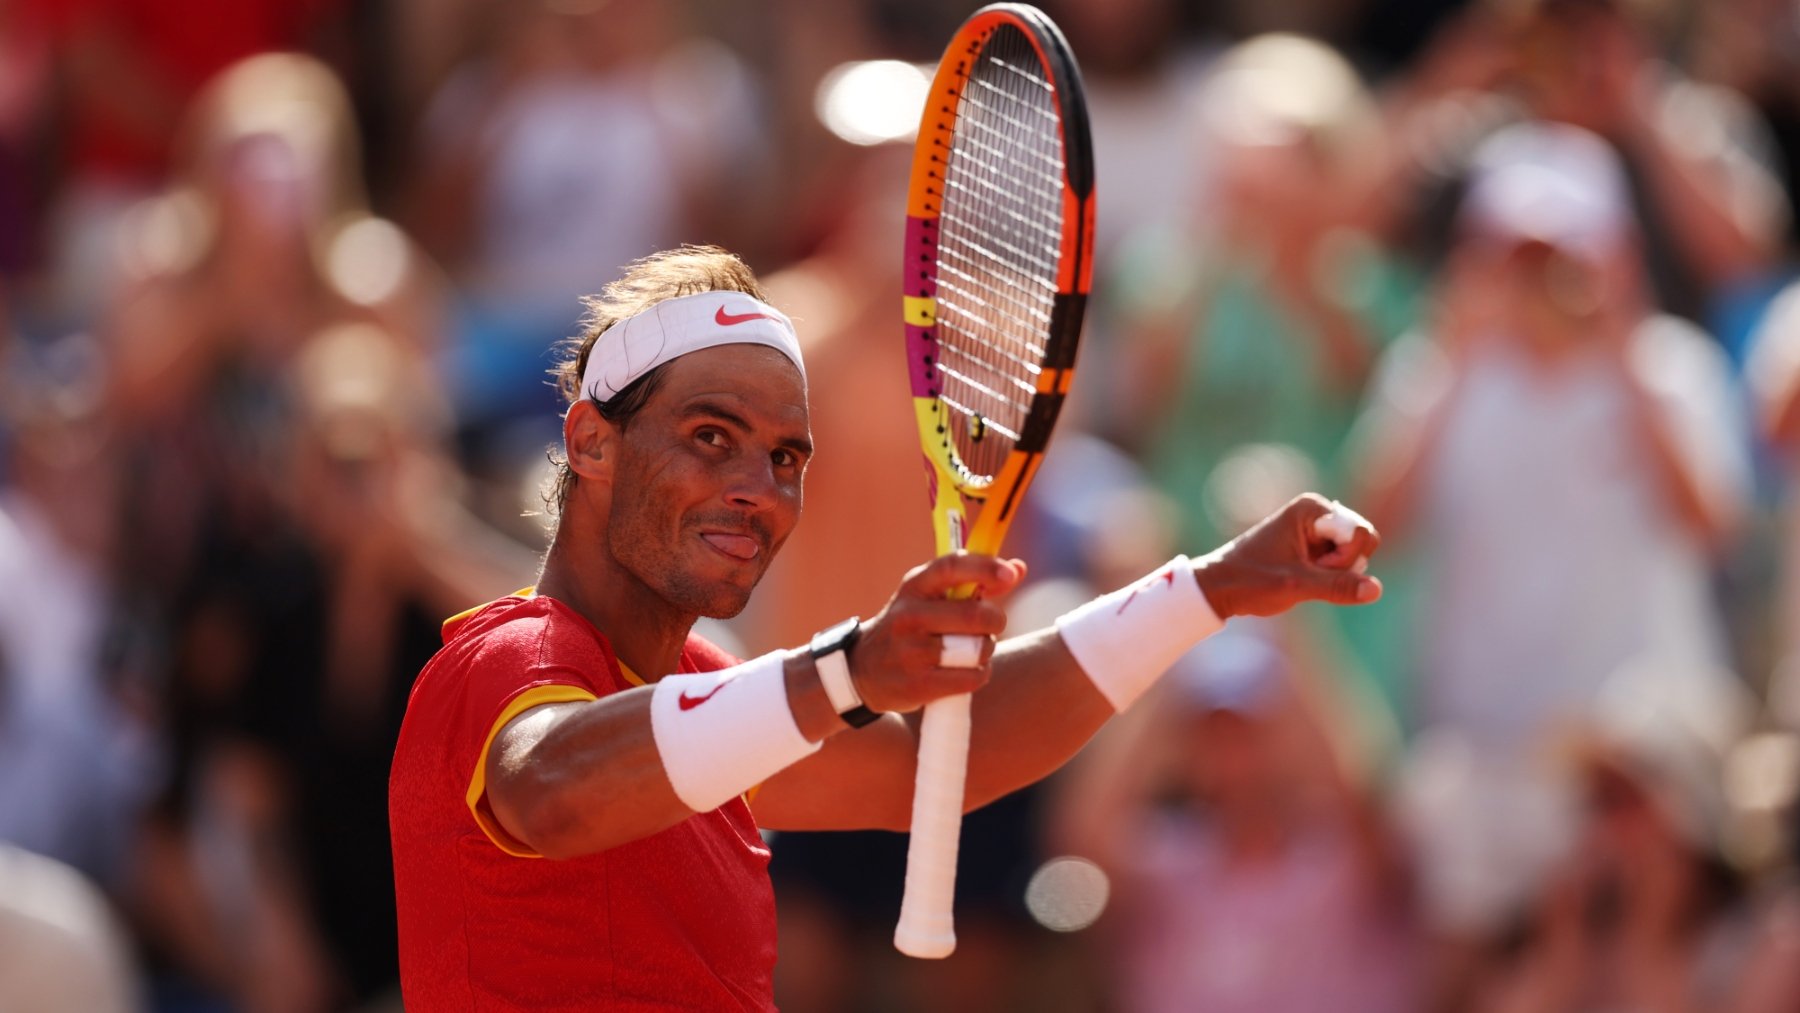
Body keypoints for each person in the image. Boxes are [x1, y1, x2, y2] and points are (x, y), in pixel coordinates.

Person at [387, 245, 1386, 1010]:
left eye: (785, 457)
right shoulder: (506, 657)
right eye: (711, 437)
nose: (756, 489)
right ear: (591, 440)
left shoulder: (707, 694)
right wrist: (849, 669)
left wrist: (1209, 588)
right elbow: (552, 788)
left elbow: (948, 759)